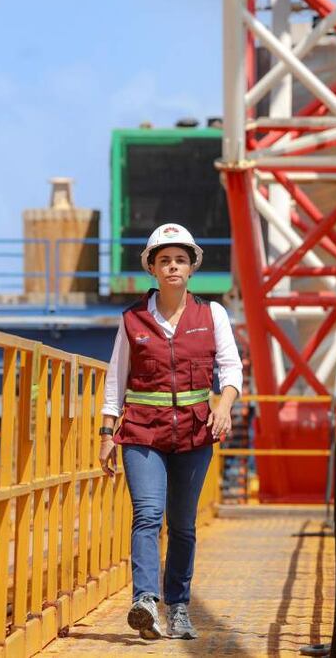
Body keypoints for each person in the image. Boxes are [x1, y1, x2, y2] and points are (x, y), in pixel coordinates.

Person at [99, 223, 243, 641]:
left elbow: (231, 368)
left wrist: (225, 405)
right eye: (164, 260)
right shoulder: (133, 319)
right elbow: (116, 379)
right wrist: (107, 432)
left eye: (180, 259)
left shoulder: (212, 314)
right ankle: (145, 601)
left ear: (191, 267)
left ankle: (177, 607)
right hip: (144, 431)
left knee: (182, 525)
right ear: (153, 269)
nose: (173, 266)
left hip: (195, 435)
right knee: (147, 515)